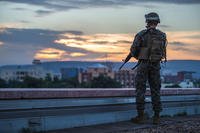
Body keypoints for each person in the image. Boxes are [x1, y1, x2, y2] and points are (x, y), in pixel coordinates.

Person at [130, 12, 167, 124]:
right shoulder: (162, 35)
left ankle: (140, 116)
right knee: (155, 90)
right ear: (157, 22)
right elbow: (163, 51)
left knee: (140, 89)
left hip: (143, 65)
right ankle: (156, 117)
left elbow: (133, 51)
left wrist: (141, 57)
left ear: (147, 22)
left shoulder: (141, 34)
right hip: (156, 65)